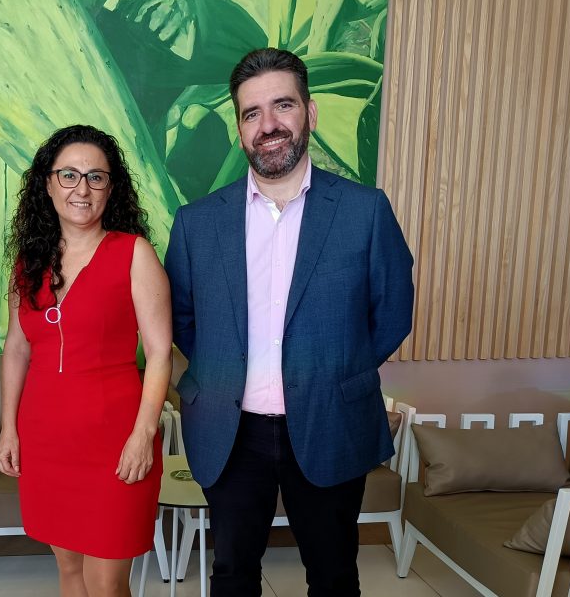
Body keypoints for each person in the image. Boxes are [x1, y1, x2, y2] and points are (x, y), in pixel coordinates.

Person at [164, 48, 415, 596]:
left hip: (329, 418)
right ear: (238, 129)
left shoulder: (365, 211)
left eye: (282, 105)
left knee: (332, 573)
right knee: (232, 573)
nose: (268, 125)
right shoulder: (196, 223)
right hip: (231, 429)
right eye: (252, 113)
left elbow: (393, 312)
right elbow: (183, 319)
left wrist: (333, 365)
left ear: (310, 113)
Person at [0, 125, 171, 597]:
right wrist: (8, 428)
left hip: (115, 443)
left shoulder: (134, 254)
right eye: (69, 175)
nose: (82, 188)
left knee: (107, 584)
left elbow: (158, 354)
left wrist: (144, 434)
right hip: (46, 441)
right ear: (47, 183)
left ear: (111, 188)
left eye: (96, 177)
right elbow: (17, 347)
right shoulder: (28, 262)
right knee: (69, 571)